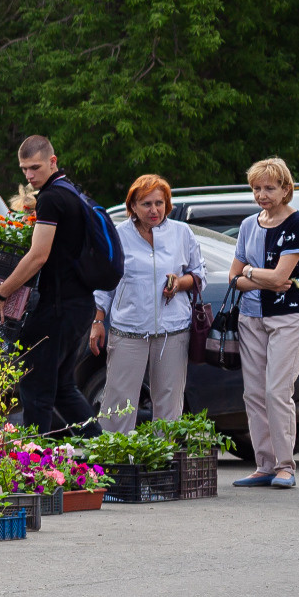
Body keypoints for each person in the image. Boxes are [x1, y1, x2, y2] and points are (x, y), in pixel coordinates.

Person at [0, 136, 112, 431]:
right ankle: (103, 452)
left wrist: (0, 294)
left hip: (57, 308)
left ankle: (35, 469)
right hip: (78, 306)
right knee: (63, 389)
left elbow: (38, 256)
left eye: (34, 167)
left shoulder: (51, 198)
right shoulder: (71, 191)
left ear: (53, 161)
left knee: (36, 390)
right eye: (24, 169)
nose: (28, 175)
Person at [222, 158, 299, 489]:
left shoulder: (298, 224)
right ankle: (264, 465)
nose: (262, 194)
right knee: (254, 393)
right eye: (257, 188)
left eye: (269, 188)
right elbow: (235, 278)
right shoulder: (249, 225)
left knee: (277, 391)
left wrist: (250, 272)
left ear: (286, 189)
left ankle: (286, 466)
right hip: (250, 317)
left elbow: (281, 279)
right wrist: (254, 276)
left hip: (288, 316)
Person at [91, 174, 201, 431]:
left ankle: (163, 462)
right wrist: (97, 321)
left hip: (172, 330)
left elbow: (199, 275)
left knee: (169, 403)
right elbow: (104, 283)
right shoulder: (118, 235)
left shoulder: (181, 232)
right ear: (132, 207)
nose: (154, 210)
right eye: (146, 204)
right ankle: (116, 462)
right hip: (128, 329)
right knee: (118, 402)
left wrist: (179, 282)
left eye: (159, 203)